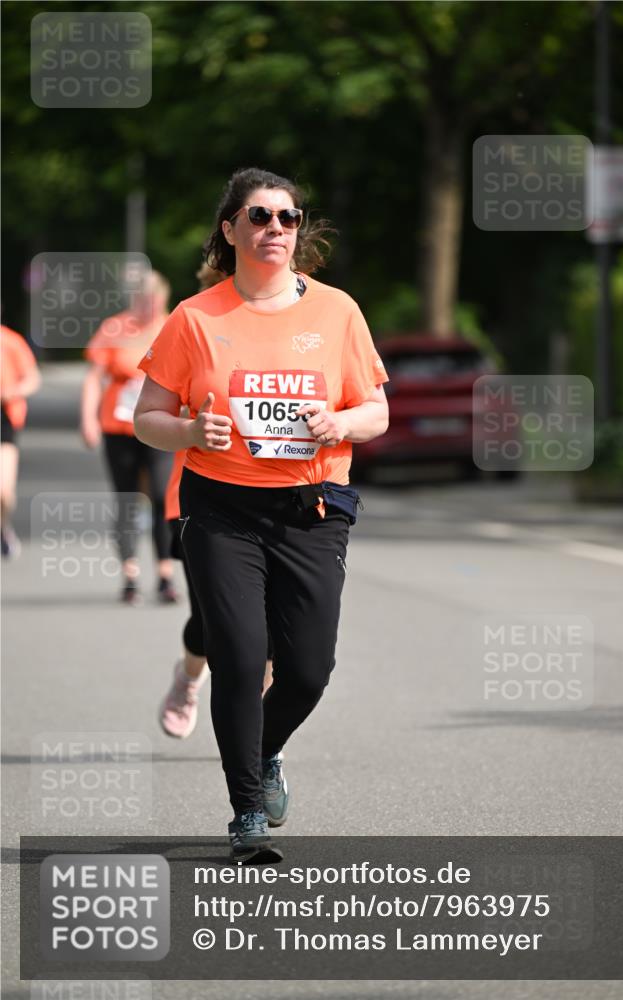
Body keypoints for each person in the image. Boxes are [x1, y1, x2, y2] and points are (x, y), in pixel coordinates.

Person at [134, 167, 389, 858]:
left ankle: (265, 749)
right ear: (229, 228)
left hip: (311, 507)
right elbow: (147, 417)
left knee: (307, 670)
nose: (275, 228)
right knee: (241, 660)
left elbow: (376, 410)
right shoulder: (196, 317)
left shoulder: (336, 312)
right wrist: (188, 433)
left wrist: (337, 422)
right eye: (259, 216)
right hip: (221, 507)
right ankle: (246, 811)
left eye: (288, 217)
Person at [158, 261, 273, 739]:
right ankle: (188, 679)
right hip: (198, 499)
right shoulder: (191, 326)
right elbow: (152, 411)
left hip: (275, 498)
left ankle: (265, 735)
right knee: (211, 623)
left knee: (270, 628)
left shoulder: (285, 332)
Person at [80, 270, 178, 605]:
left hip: (161, 426)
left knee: (164, 496)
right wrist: (88, 419)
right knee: (126, 499)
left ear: (163, 299)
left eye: (154, 301)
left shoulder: (173, 326)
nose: (149, 307)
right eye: (143, 300)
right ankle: (130, 574)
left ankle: (165, 574)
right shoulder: (114, 328)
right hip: (118, 427)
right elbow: (94, 378)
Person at [1, 324, 41, 557]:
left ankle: (3, 527)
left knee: (3, 490)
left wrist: (12, 392)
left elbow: (32, 379)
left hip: (4, 416)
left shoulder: (10, 341)